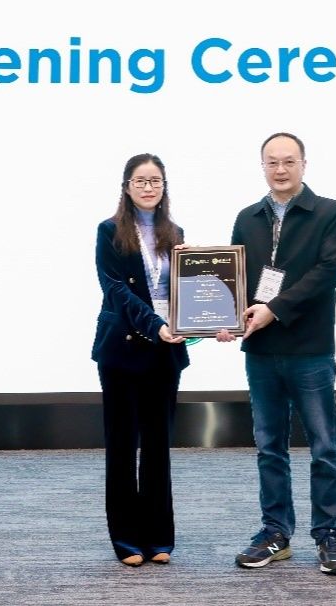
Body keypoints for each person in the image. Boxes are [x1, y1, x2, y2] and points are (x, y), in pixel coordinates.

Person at [218, 132, 336, 575]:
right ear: (262, 166)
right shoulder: (247, 217)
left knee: (324, 447)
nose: (280, 169)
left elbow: (328, 272)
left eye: (289, 161)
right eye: (272, 162)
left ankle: (327, 533)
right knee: (269, 447)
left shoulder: (330, 213)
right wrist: (226, 316)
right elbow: (236, 278)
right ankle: (275, 533)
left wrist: (273, 309)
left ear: (303, 165)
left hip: (310, 348)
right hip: (260, 349)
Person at [92, 153, 189, 567]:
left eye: (155, 181)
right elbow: (115, 289)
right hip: (123, 349)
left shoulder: (176, 233)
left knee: (157, 446)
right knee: (122, 445)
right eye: (140, 181)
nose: (148, 188)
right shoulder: (109, 231)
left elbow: (187, 292)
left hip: (165, 351)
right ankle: (127, 540)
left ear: (164, 187)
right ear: (127, 187)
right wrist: (155, 324)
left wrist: (208, 319)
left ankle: (158, 537)